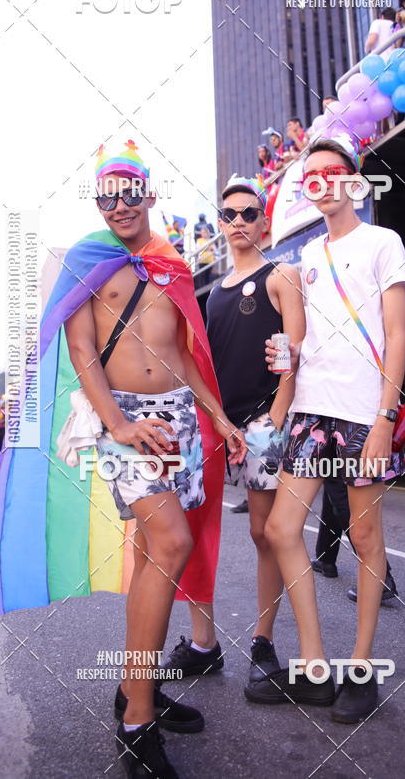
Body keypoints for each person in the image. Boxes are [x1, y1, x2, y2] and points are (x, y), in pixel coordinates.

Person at [62, 140, 246, 777]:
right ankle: (137, 723)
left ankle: (135, 689)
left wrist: (218, 415)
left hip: (180, 420)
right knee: (169, 545)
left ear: (149, 194)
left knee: (154, 554)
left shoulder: (170, 264)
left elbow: (184, 352)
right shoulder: (87, 262)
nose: (119, 205)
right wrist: (119, 423)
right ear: (97, 202)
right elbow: (82, 347)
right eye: (107, 194)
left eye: (129, 191)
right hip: (127, 423)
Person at [249, 136, 405, 724]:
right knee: (282, 528)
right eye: (309, 175)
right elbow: (307, 343)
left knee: (366, 541)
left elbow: (396, 334)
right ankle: (315, 665)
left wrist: (385, 419)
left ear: (352, 180)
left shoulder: (381, 242)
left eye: (329, 172)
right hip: (312, 413)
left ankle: (361, 669)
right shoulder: (306, 260)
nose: (318, 182)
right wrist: (286, 356)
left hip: (363, 414)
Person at [161, 174, 305, 692]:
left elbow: (294, 355)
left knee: (265, 534)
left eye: (248, 213)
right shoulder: (213, 293)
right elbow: (194, 361)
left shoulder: (280, 274)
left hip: (262, 424)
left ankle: (263, 643)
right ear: (220, 224)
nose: (239, 221)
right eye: (229, 215)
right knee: (196, 532)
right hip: (214, 427)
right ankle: (204, 644)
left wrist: (276, 419)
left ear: (264, 222)